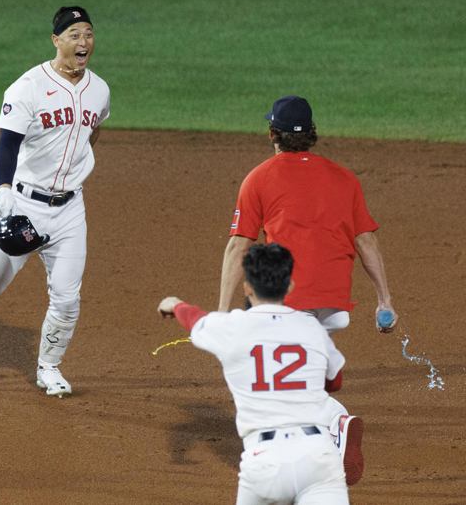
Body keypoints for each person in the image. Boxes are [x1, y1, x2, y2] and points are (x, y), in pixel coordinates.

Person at [0, 6, 110, 397]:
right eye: (75, 34)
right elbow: (7, 145)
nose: (83, 42)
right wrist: (3, 191)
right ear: (57, 40)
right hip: (24, 207)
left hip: (69, 210)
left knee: (67, 298)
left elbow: (91, 132)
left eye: (89, 34)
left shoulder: (100, 90)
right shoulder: (27, 87)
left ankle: (49, 366)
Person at [159, 244, 362, 503]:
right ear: (289, 286)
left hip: (266, 462)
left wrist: (175, 305)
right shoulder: (312, 329)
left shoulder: (232, 327)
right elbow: (334, 381)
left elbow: (196, 319)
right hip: (317, 457)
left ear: (247, 288)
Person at [218, 95, 397, 335]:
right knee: (314, 352)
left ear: (272, 134)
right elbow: (366, 242)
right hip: (336, 306)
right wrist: (385, 301)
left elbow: (239, 246)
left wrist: (221, 313)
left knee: (263, 340)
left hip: (288, 303)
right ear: (311, 135)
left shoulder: (258, 179)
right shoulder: (346, 178)